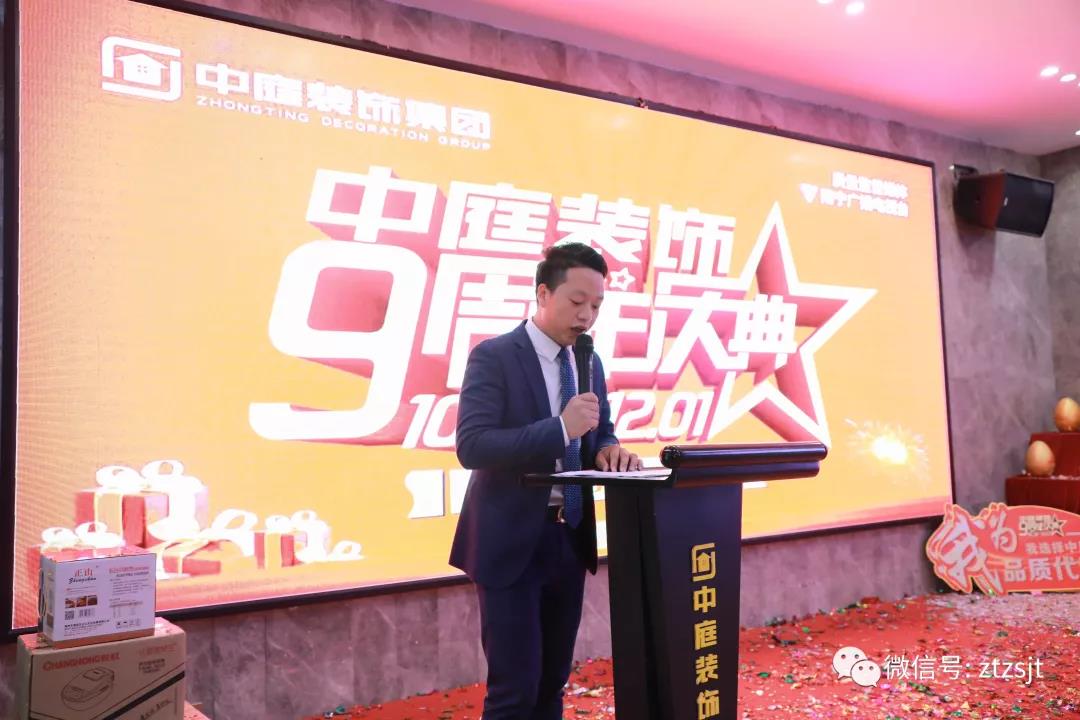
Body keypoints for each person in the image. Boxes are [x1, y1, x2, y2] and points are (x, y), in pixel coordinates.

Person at [449, 241, 642, 719]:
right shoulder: (494, 356)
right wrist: (559, 429)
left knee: (552, 686)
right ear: (543, 294)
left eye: (596, 305)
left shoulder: (589, 361)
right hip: (511, 541)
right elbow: (473, 445)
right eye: (577, 302)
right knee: (514, 691)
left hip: (568, 537)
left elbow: (599, 430)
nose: (587, 316)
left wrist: (609, 447)